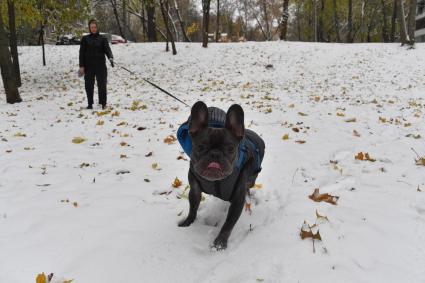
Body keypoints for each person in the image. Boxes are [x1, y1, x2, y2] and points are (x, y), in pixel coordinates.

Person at [79, 19, 114, 110]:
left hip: (101, 66)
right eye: (92, 27)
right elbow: (81, 53)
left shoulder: (103, 39)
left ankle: (103, 103)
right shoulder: (85, 39)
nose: (93, 29)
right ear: (89, 28)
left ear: (97, 27)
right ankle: (90, 104)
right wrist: (81, 66)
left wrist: (110, 57)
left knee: (102, 84)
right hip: (89, 66)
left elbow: (107, 49)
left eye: (95, 27)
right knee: (88, 85)